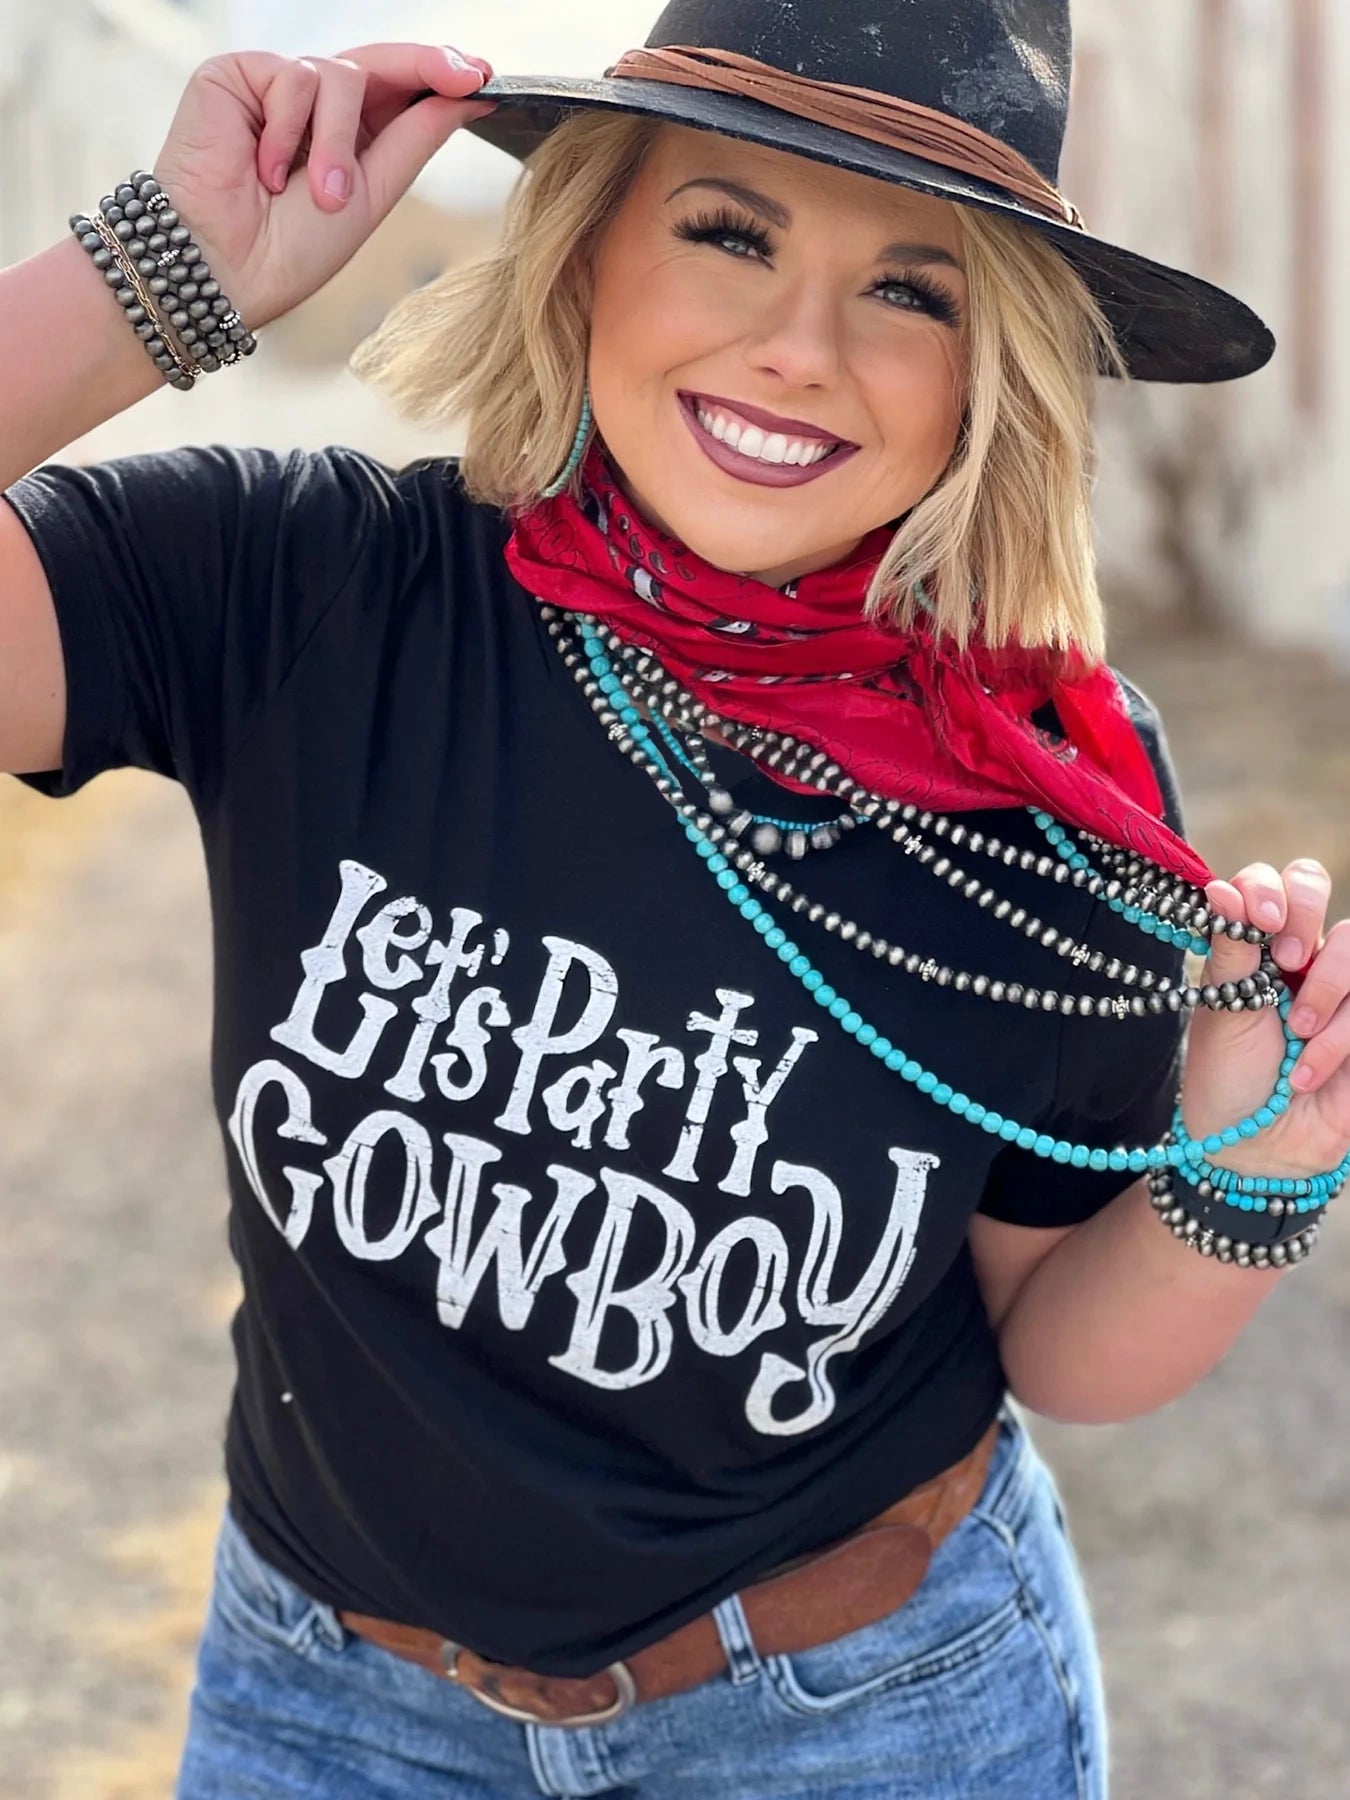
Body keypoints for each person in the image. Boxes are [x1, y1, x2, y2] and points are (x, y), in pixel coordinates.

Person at [2, 2, 1348, 1794]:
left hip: (866, 1716)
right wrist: (161, 273)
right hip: (329, 1704)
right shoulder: (315, 590)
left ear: (984, 375)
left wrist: (1249, 1159)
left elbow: (1053, 1344)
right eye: (727, 233)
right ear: (581, 261)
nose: (798, 348)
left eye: (911, 290)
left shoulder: (1047, 802)